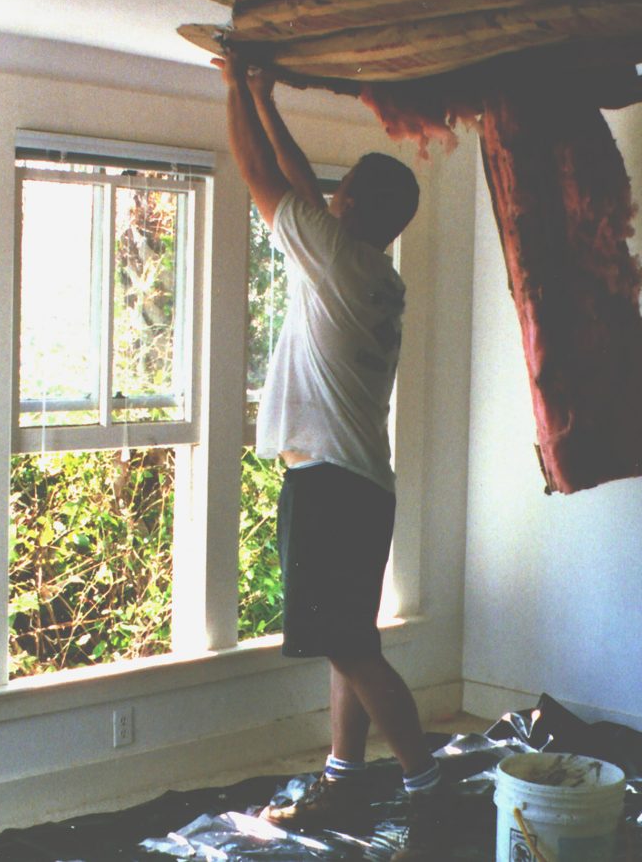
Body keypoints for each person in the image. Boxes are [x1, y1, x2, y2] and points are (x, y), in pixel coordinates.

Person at [214, 53, 446, 855]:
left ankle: (428, 787)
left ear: (352, 210)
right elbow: (305, 184)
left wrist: (236, 92)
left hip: (331, 488)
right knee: (353, 639)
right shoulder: (368, 268)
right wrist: (262, 94)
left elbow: (258, 172)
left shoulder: (337, 259)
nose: (327, 197)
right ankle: (345, 774)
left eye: (339, 194)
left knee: (347, 644)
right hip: (359, 484)